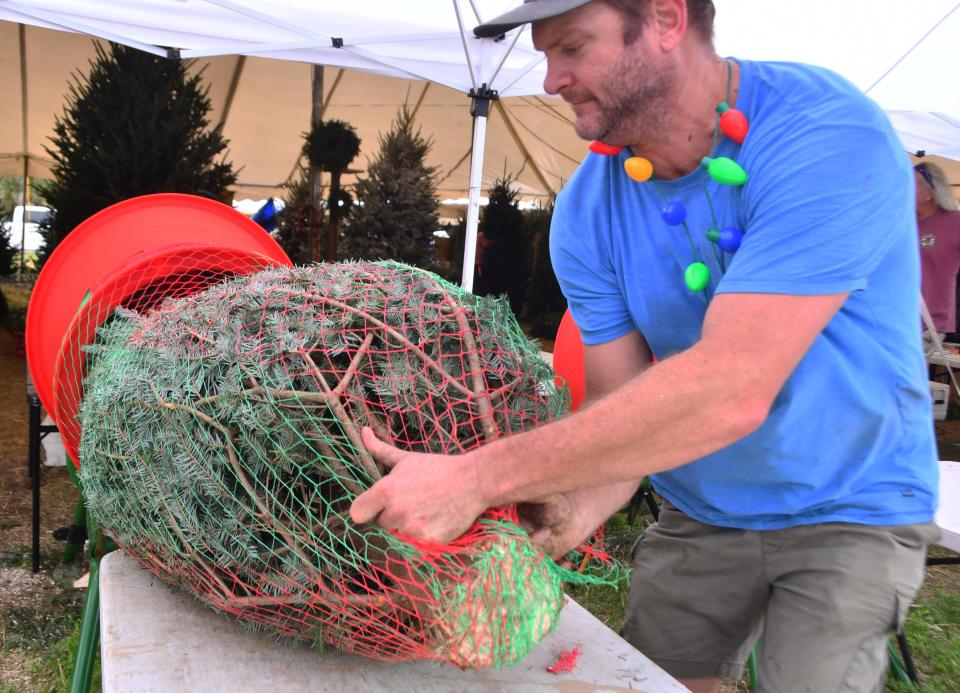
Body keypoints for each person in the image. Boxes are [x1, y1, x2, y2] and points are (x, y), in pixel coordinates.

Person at [350, 2, 940, 691]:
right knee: (652, 679)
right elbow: (617, 397)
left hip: (853, 503)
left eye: (571, 48)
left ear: (664, 18)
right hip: (702, 506)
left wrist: (476, 477)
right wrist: (571, 505)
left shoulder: (826, 133)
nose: (551, 79)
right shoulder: (586, 212)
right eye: (545, 55)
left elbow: (732, 387)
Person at [915, 160, 960, 351]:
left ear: (929, 194)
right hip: (896, 317)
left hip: (931, 322)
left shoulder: (955, 222)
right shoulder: (904, 225)